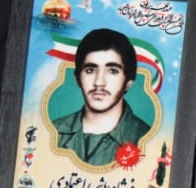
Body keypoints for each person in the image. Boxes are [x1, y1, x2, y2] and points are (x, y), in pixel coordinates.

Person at [52, 28, 151, 166]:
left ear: (128, 82)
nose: (99, 82)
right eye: (90, 70)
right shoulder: (51, 131)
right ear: (78, 78)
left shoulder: (148, 139)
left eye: (112, 71)